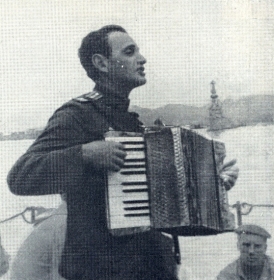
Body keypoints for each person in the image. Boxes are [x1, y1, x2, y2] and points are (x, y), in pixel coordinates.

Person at [7, 25, 239, 280]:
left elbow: (167, 217)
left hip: (153, 268)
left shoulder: (133, 124)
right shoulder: (76, 115)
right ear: (101, 63)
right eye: (129, 52)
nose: (142, 58)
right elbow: (20, 177)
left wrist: (214, 190)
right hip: (102, 271)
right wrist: (84, 154)